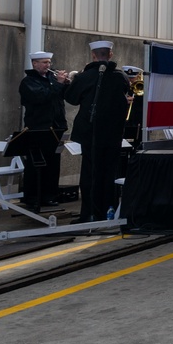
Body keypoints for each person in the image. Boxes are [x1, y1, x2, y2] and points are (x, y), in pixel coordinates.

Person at [65, 40, 133, 223]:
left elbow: (72, 98)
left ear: (93, 55)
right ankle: (108, 211)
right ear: (110, 55)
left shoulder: (84, 77)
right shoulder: (120, 77)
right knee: (109, 173)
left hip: (90, 133)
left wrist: (65, 83)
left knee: (90, 174)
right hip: (112, 134)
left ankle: (88, 214)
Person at [18, 51, 70, 209]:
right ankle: (32, 196)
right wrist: (59, 84)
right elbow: (41, 97)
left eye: (48, 62)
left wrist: (67, 84)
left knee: (53, 164)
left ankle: (50, 195)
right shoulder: (28, 82)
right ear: (35, 64)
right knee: (35, 164)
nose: (48, 65)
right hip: (38, 128)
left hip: (56, 127)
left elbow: (64, 97)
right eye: (44, 62)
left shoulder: (52, 80)